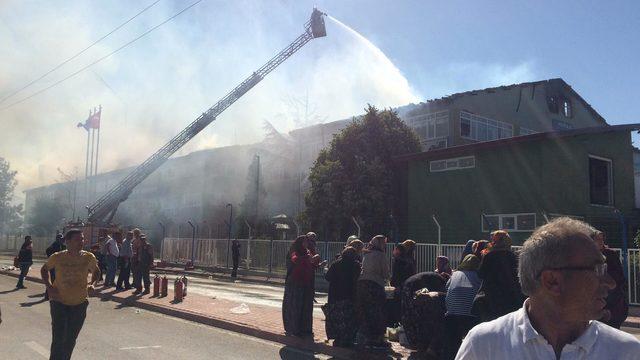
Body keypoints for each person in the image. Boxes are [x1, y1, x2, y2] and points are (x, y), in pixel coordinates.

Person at [456, 217, 640, 359]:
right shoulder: (485, 346)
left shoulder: (626, 352)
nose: (610, 282)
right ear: (551, 281)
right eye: (597, 270)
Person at [40, 229, 100, 360]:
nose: (81, 242)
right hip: (59, 301)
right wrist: (49, 287)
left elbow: (96, 271)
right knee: (59, 337)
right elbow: (44, 269)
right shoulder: (57, 257)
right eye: (78, 239)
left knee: (71, 338)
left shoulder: (88, 257)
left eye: (82, 239)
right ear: (67, 242)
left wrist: (93, 284)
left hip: (79, 303)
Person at [472, 230, 524, 322]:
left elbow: (480, 274)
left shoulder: (489, 256)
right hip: (511, 298)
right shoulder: (513, 256)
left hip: (492, 298)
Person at [443, 254, 481, 360]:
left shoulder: (455, 274)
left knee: (452, 344)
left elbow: (447, 288)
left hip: (451, 315)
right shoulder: (479, 276)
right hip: (470, 317)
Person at [356, 235, 391, 350]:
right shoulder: (381, 255)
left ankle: (366, 336)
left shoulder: (367, 253)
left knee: (366, 310)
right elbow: (385, 273)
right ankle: (377, 338)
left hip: (362, 284)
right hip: (375, 285)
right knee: (378, 311)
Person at [400, 271, 447, 355]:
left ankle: (416, 343)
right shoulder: (442, 282)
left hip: (408, 284)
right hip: (415, 286)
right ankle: (421, 345)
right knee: (418, 315)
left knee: (409, 313)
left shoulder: (435, 278)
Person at [324, 246, 361, 347]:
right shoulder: (356, 265)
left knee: (337, 319)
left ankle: (338, 337)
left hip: (335, 296)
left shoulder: (336, 263)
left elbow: (328, 277)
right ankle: (348, 338)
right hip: (349, 295)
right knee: (349, 319)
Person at [592, 229, 628, 329]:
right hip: (595, 301)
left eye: (602, 239)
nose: (600, 242)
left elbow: (618, 278)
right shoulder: (588, 256)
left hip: (612, 301)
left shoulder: (610, 255)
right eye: (597, 239)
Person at [282, 235, 315, 337]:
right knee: (295, 306)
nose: (306, 244)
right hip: (295, 283)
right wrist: (307, 258)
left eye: (307, 242)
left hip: (306, 282)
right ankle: (294, 329)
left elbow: (309, 264)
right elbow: (295, 259)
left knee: (306, 307)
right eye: (304, 242)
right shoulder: (294, 250)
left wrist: (316, 262)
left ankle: (305, 329)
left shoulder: (307, 251)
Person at [388, 242, 416, 326]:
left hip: (399, 285)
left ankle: (396, 323)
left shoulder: (398, 260)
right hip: (408, 284)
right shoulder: (411, 260)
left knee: (397, 304)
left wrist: (393, 283)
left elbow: (396, 274)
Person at [45, 233, 66, 300]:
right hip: (54, 266)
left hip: (61, 266)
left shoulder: (62, 246)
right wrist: (52, 259)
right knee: (53, 281)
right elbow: (47, 251)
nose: (62, 240)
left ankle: (53, 294)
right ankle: (48, 295)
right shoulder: (54, 245)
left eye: (62, 239)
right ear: (57, 239)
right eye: (60, 238)